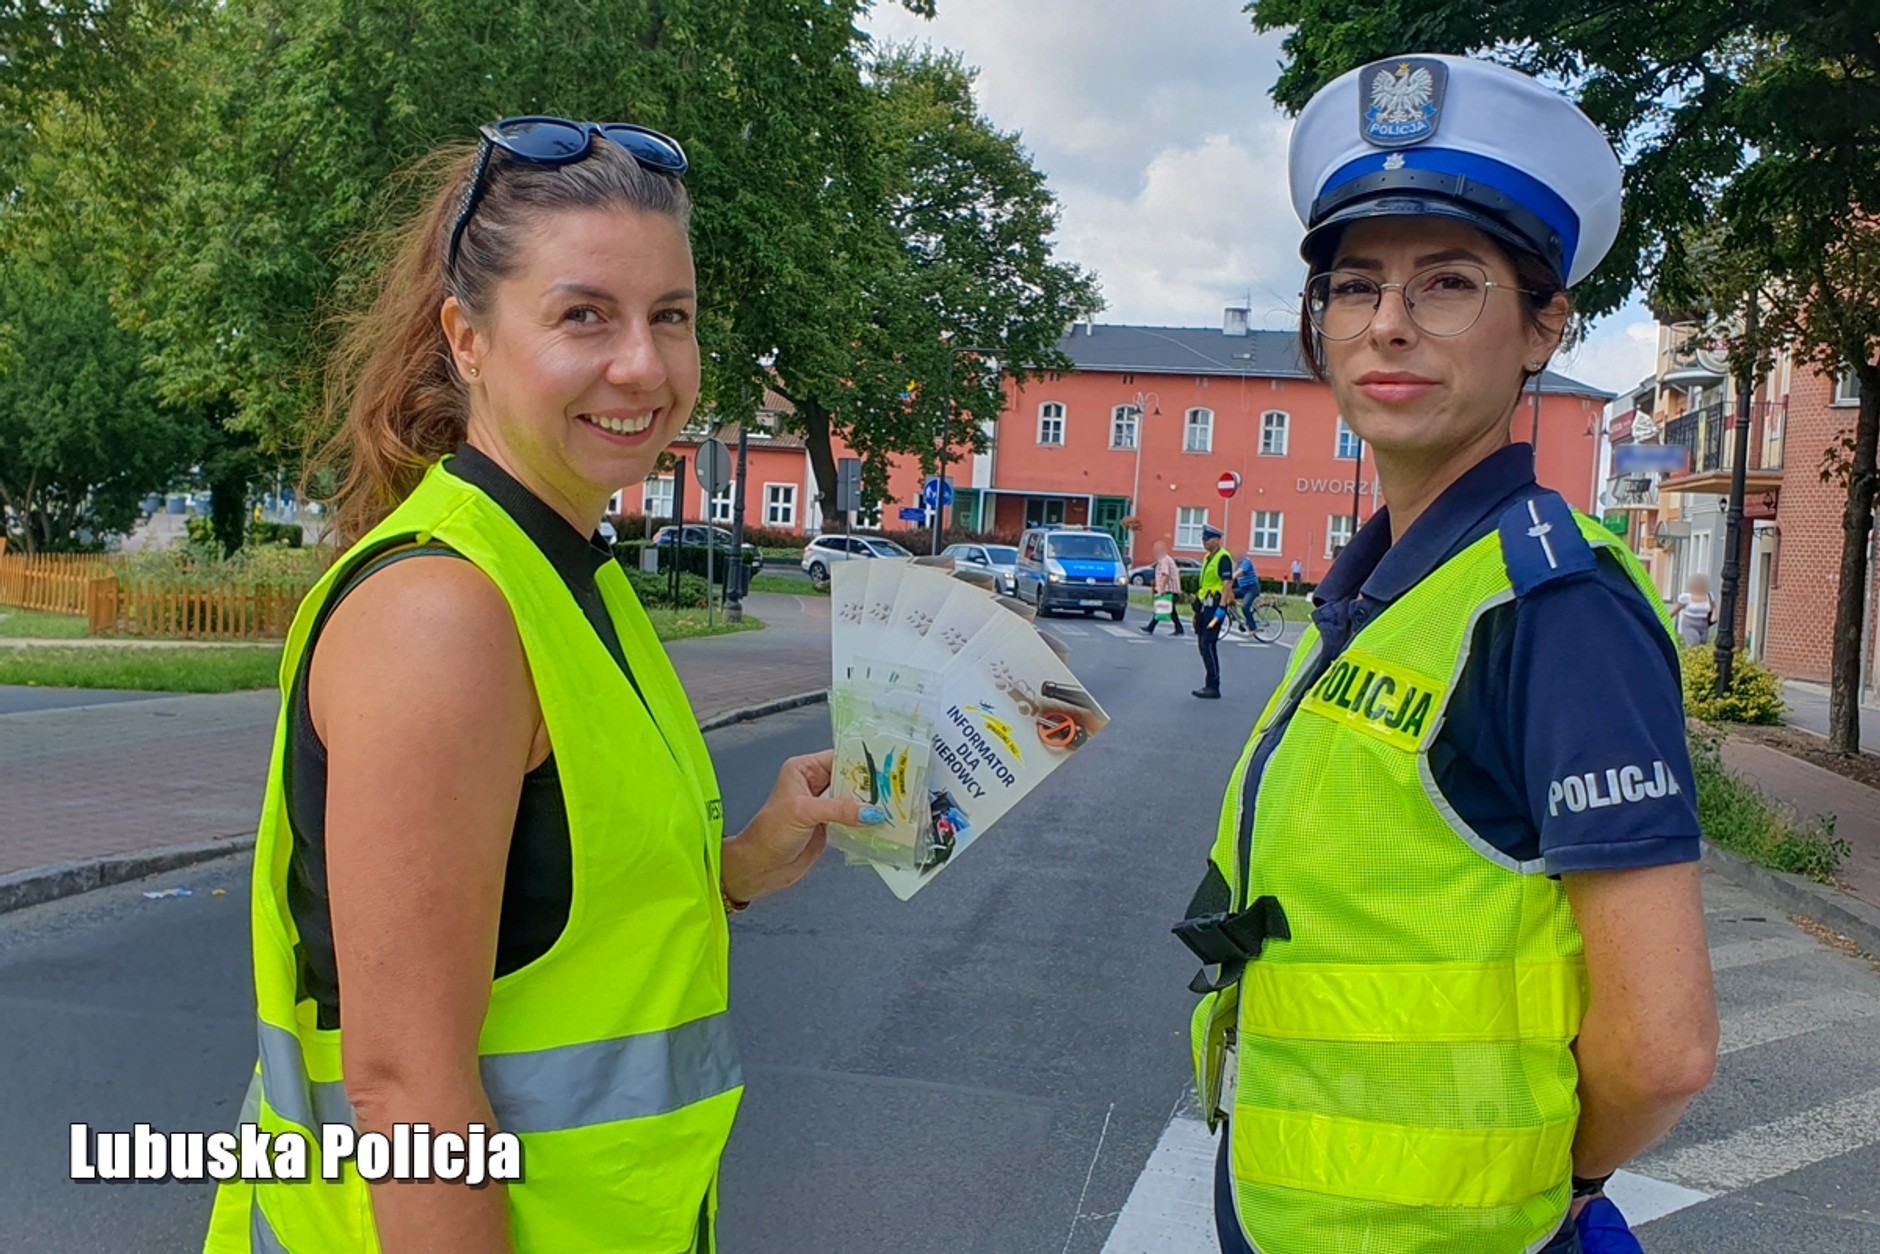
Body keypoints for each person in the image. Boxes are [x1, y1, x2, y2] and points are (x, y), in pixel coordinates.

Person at [203, 117, 884, 1254]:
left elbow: (547, 927)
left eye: (671, 316)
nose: (644, 366)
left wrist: (737, 870)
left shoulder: (574, 577)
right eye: (584, 315)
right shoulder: (446, 616)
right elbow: (402, 1091)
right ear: (465, 339)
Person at [1175, 55, 1717, 1254]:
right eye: (1356, 284)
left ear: (1541, 329)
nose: (1387, 324)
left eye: (1449, 283)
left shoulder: (1552, 609)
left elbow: (1661, 1046)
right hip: (1290, 1212)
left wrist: (1552, 1177)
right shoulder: (1383, 589)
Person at [1192, 525, 1236, 698]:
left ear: (1217, 540)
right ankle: (1209, 683)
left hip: (1215, 607)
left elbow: (1227, 583)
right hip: (1204, 605)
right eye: (1203, 538)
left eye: (1207, 538)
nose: (1204, 542)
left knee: (1208, 644)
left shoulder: (1223, 557)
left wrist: (1222, 607)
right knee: (1202, 643)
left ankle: (1213, 685)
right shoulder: (1207, 557)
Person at [1142, 537, 1185, 636]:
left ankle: (1150, 627)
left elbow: (1165, 574)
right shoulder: (1167, 559)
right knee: (1170, 610)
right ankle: (1179, 628)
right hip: (1171, 589)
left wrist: (1161, 589)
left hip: (1168, 589)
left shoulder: (1164, 560)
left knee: (1162, 608)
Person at [1674, 572, 1716, 647]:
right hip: (1690, 623)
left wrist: (1714, 616)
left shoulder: (1709, 596)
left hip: (1704, 624)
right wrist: (1665, 618)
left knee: (1702, 644)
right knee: (1694, 642)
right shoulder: (1686, 597)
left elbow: (1714, 607)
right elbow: (1676, 609)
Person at [1231, 550, 1261, 632]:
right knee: (1229, 595)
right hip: (1243, 589)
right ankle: (1238, 620)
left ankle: (1253, 627)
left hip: (1252, 589)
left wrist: (1232, 576)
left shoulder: (1246, 561)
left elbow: (1239, 573)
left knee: (1245, 607)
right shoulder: (1237, 564)